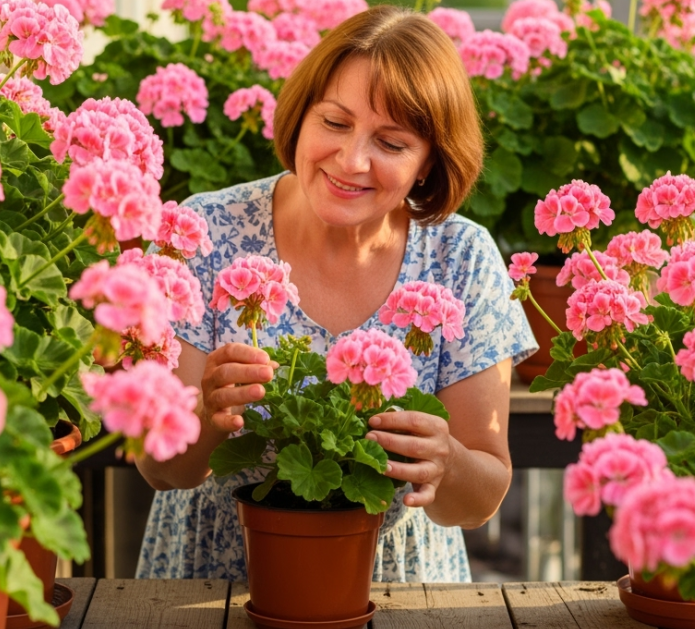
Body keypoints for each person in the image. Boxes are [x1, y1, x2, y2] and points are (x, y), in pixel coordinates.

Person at [134, 5, 537, 582]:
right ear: (302, 116)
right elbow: (163, 470)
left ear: (428, 164)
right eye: (335, 122)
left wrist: (446, 464)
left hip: (394, 589)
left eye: (392, 143)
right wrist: (206, 412)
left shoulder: (461, 257)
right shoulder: (207, 230)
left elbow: (480, 500)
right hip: (211, 586)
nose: (351, 161)